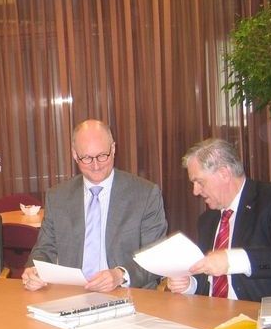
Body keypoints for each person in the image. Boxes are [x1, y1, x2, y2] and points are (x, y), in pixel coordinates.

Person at [23, 120, 168, 292]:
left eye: (102, 156)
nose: (96, 165)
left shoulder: (144, 194)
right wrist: (34, 269)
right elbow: (45, 248)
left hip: (127, 296)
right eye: (87, 158)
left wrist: (120, 275)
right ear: (75, 155)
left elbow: (155, 255)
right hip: (72, 295)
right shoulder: (58, 197)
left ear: (113, 149)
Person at [167, 138, 271, 301]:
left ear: (224, 173)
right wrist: (189, 284)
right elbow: (210, 280)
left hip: (264, 316)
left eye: (199, 182)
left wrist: (231, 259)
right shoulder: (207, 220)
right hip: (213, 316)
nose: (195, 191)